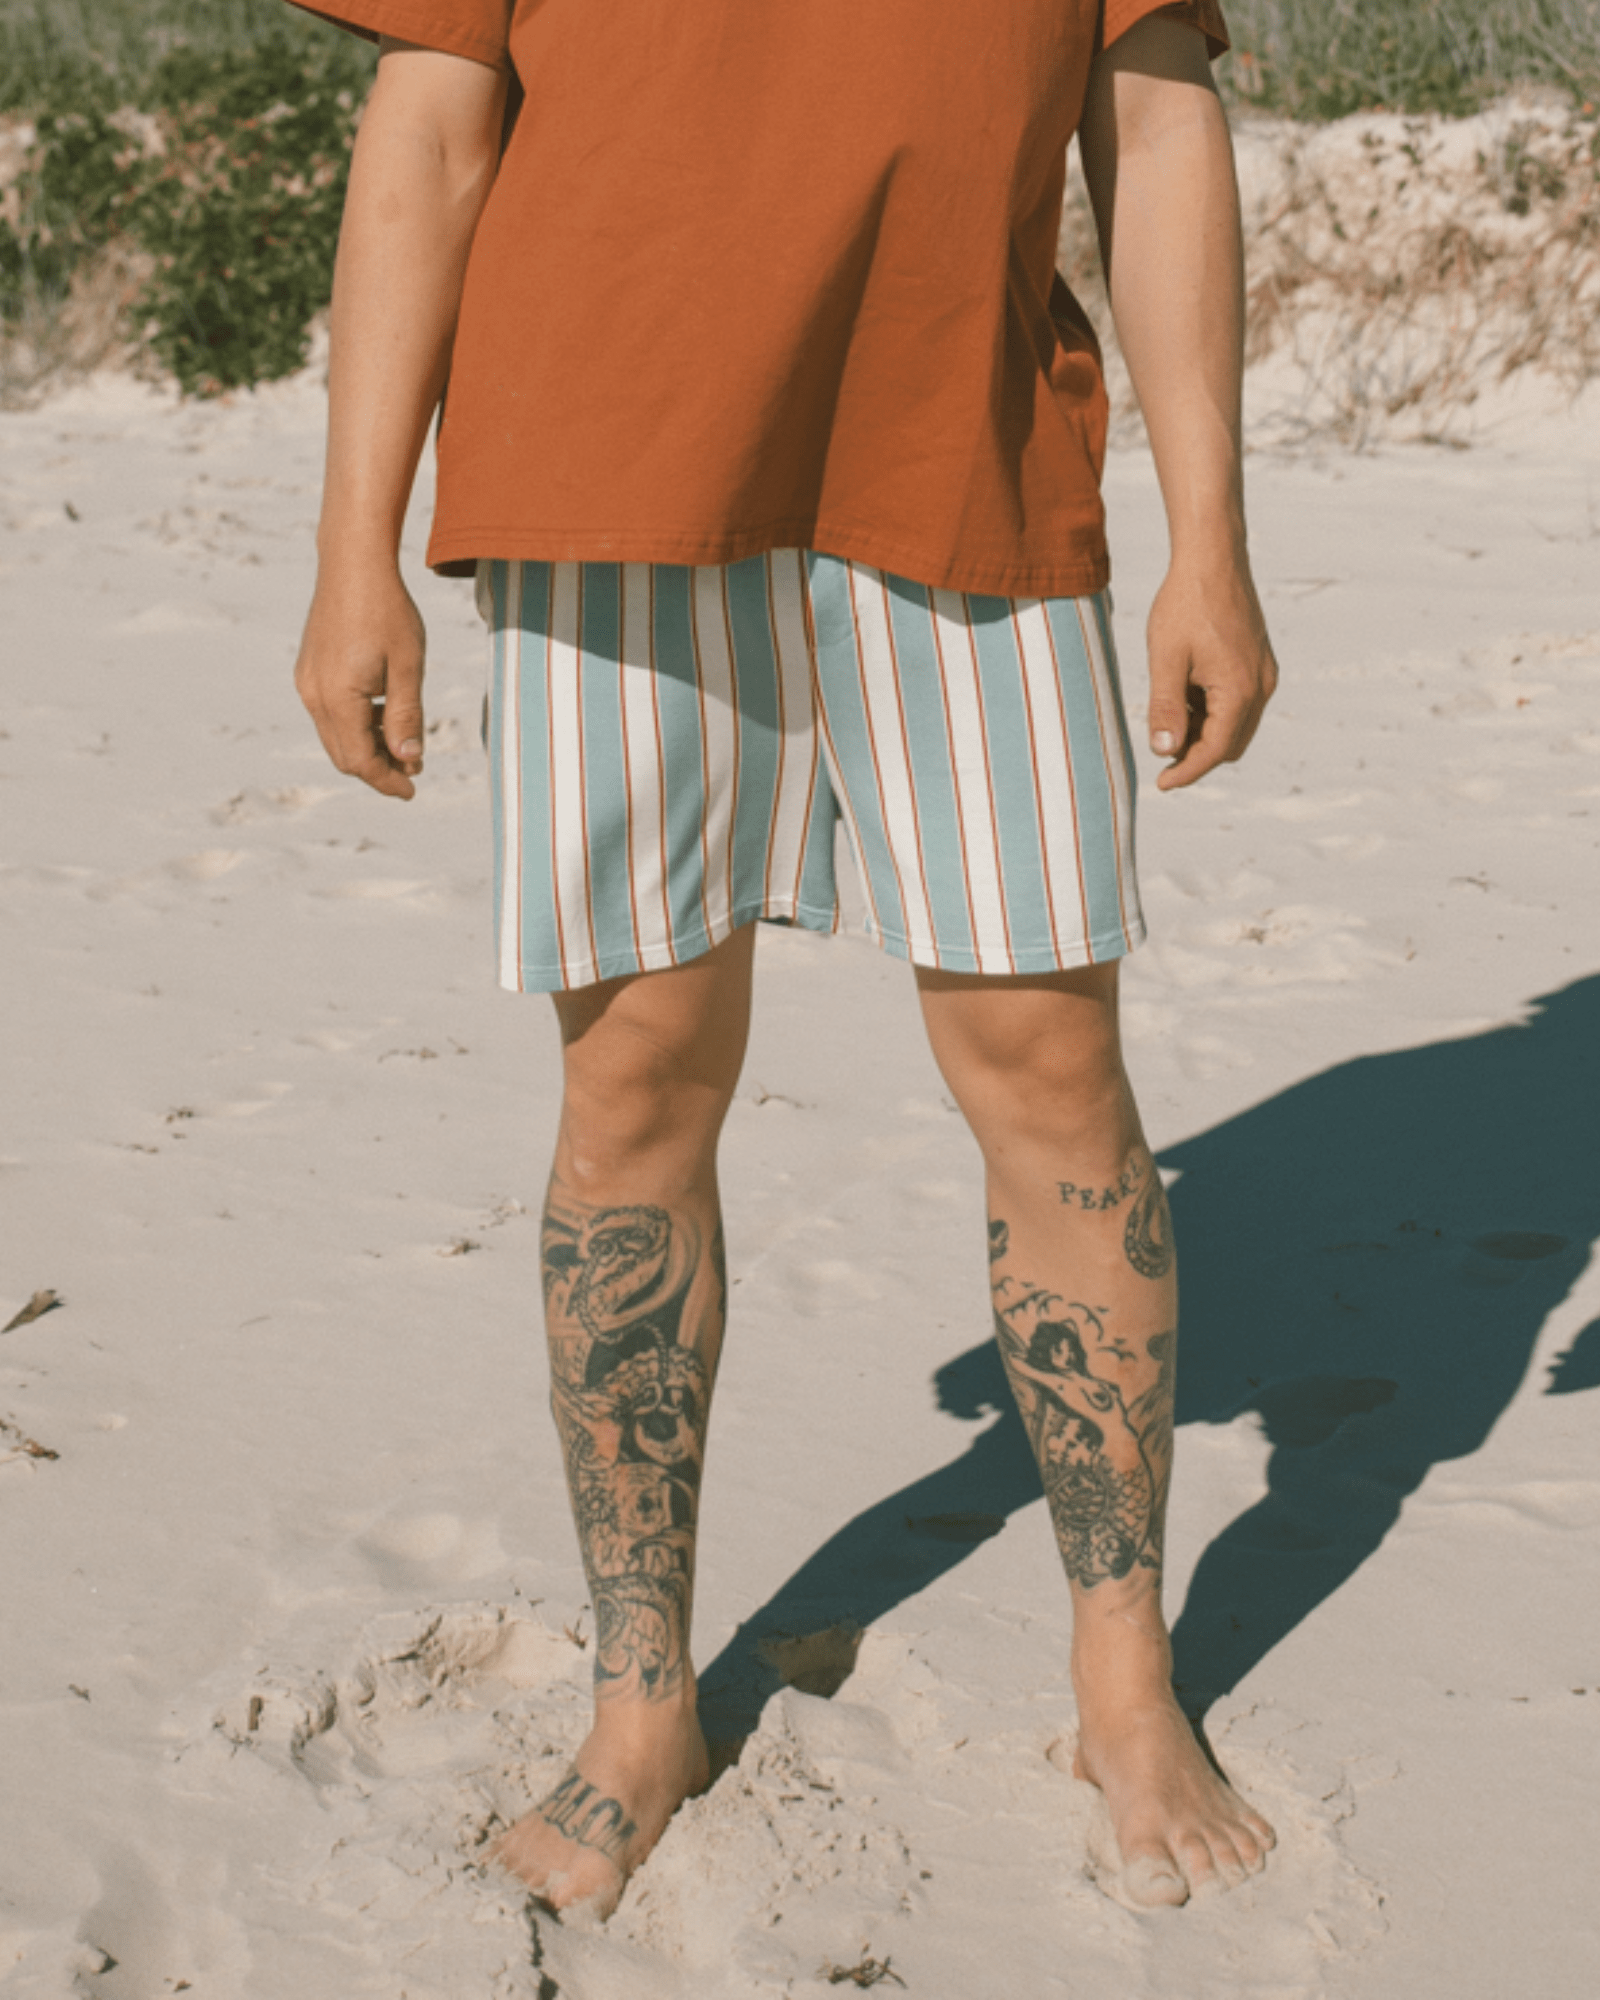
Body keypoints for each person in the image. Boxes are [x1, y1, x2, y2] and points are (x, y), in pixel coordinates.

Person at [289, 0, 1280, 1917]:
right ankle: (641, 1697)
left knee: (1053, 1069)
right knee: (638, 1083)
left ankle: (1126, 1678)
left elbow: (1153, 129)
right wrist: (357, 549)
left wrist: (1210, 535)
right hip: (604, 473)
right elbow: (426, 130)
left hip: (972, 466)